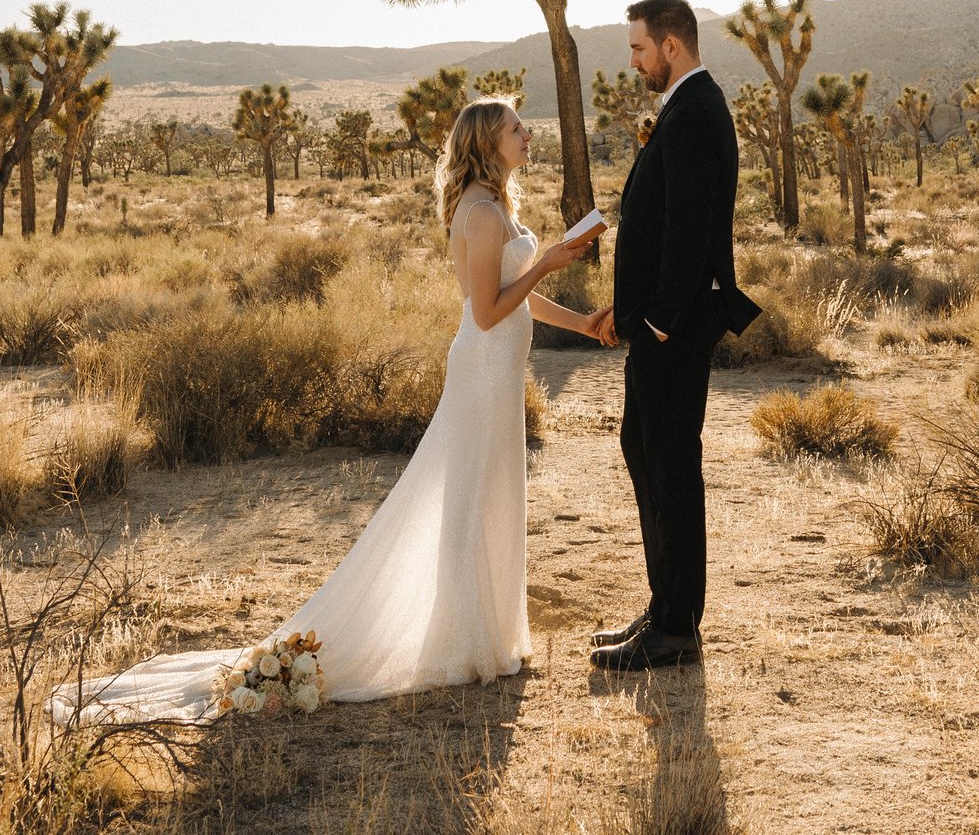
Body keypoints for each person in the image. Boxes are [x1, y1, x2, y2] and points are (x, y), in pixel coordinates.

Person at [51, 98, 606, 725]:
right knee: (471, 497)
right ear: (486, 142)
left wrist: (585, 321)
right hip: (481, 372)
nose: (527, 134)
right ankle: (469, 641)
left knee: (496, 495)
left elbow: (519, 298)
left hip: (500, 375)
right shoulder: (479, 214)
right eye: (516, 127)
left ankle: (490, 636)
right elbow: (486, 312)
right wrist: (553, 262)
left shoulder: (498, 208)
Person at [583, 0, 760, 672]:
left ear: (672, 47)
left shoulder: (692, 114)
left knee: (669, 464)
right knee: (648, 450)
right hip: (663, 326)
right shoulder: (687, 107)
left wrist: (654, 323)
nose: (633, 62)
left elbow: (686, 232)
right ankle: (666, 609)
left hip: (675, 330)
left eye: (637, 49)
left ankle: (678, 627)